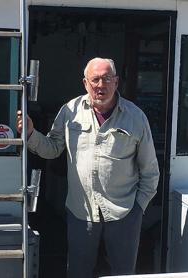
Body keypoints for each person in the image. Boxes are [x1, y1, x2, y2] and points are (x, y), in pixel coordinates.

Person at [17, 57, 160, 278]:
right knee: (78, 272)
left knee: (123, 274)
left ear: (116, 82)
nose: (101, 85)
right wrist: (29, 133)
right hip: (81, 212)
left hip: (124, 213)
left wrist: (138, 208)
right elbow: (52, 149)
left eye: (106, 79)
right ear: (85, 83)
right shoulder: (69, 111)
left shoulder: (136, 117)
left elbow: (150, 170)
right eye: (95, 79)